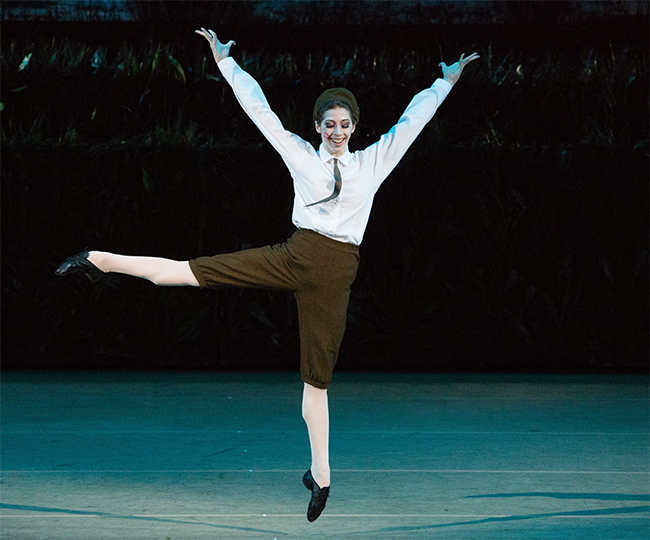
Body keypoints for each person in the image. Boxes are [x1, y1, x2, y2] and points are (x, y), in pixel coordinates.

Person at [55, 28, 479, 522]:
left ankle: (320, 476)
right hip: (294, 255)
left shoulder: (373, 162)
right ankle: (98, 260)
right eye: (329, 124)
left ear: (354, 126)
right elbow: (261, 113)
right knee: (190, 274)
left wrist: (443, 84)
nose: (337, 132)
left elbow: (411, 123)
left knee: (316, 384)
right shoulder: (301, 154)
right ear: (318, 127)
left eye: (344, 124)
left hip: (336, 275)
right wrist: (226, 64)